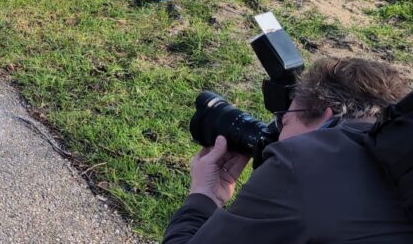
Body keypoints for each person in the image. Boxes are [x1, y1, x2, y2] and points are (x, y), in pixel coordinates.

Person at [164, 57, 413, 243]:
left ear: (325, 112)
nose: (277, 133)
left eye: (285, 119)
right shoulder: (400, 153)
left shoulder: (302, 161)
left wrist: (205, 196)